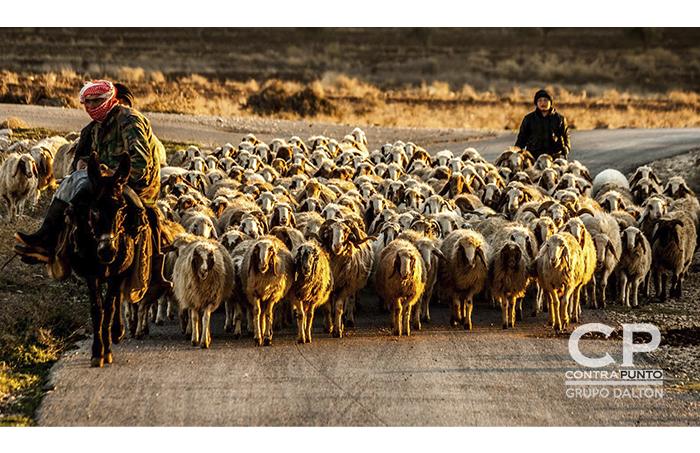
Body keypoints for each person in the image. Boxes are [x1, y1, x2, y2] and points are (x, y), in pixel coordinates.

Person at [14, 79, 172, 289]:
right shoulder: (94, 127)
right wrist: (82, 162)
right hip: (103, 181)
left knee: (139, 216)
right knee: (76, 193)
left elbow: (141, 165)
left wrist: (112, 173)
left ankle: (153, 274)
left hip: (134, 183)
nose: (91, 107)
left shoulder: (130, 122)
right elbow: (83, 154)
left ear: (110, 100)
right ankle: (54, 245)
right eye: (87, 102)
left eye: (96, 101)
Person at [514, 89, 571, 159]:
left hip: (554, 156)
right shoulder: (529, 119)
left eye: (545, 100)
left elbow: (565, 136)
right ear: (536, 103)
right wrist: (516, 152)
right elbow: (522, 138)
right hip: (533, 156)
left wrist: (567, 147)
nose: (542, 103)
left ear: (550, 102)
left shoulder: (559, 119)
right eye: (540, 100)